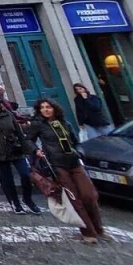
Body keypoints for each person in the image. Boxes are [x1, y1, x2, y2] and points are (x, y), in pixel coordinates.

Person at [28, 98, 109, 244]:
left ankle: (99, 228)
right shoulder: (38, 125)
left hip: (74, 162)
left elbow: (76, 142)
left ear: (55, 108)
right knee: (74, 198)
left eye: (48, 107)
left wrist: (79, 152)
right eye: (42, 108)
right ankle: (88, 232)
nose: (45, 110)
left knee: (89, 195)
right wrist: (36, 150)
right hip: (57, 164)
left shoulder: (65, 124)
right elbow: (28, 140)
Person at [0, 91, 42, 215]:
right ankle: (15, 203)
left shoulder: (7, 114)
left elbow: (18, 131)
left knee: (25, 175)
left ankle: (28, 200)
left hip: (15, 148)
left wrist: (27, 148)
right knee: (7, 179)